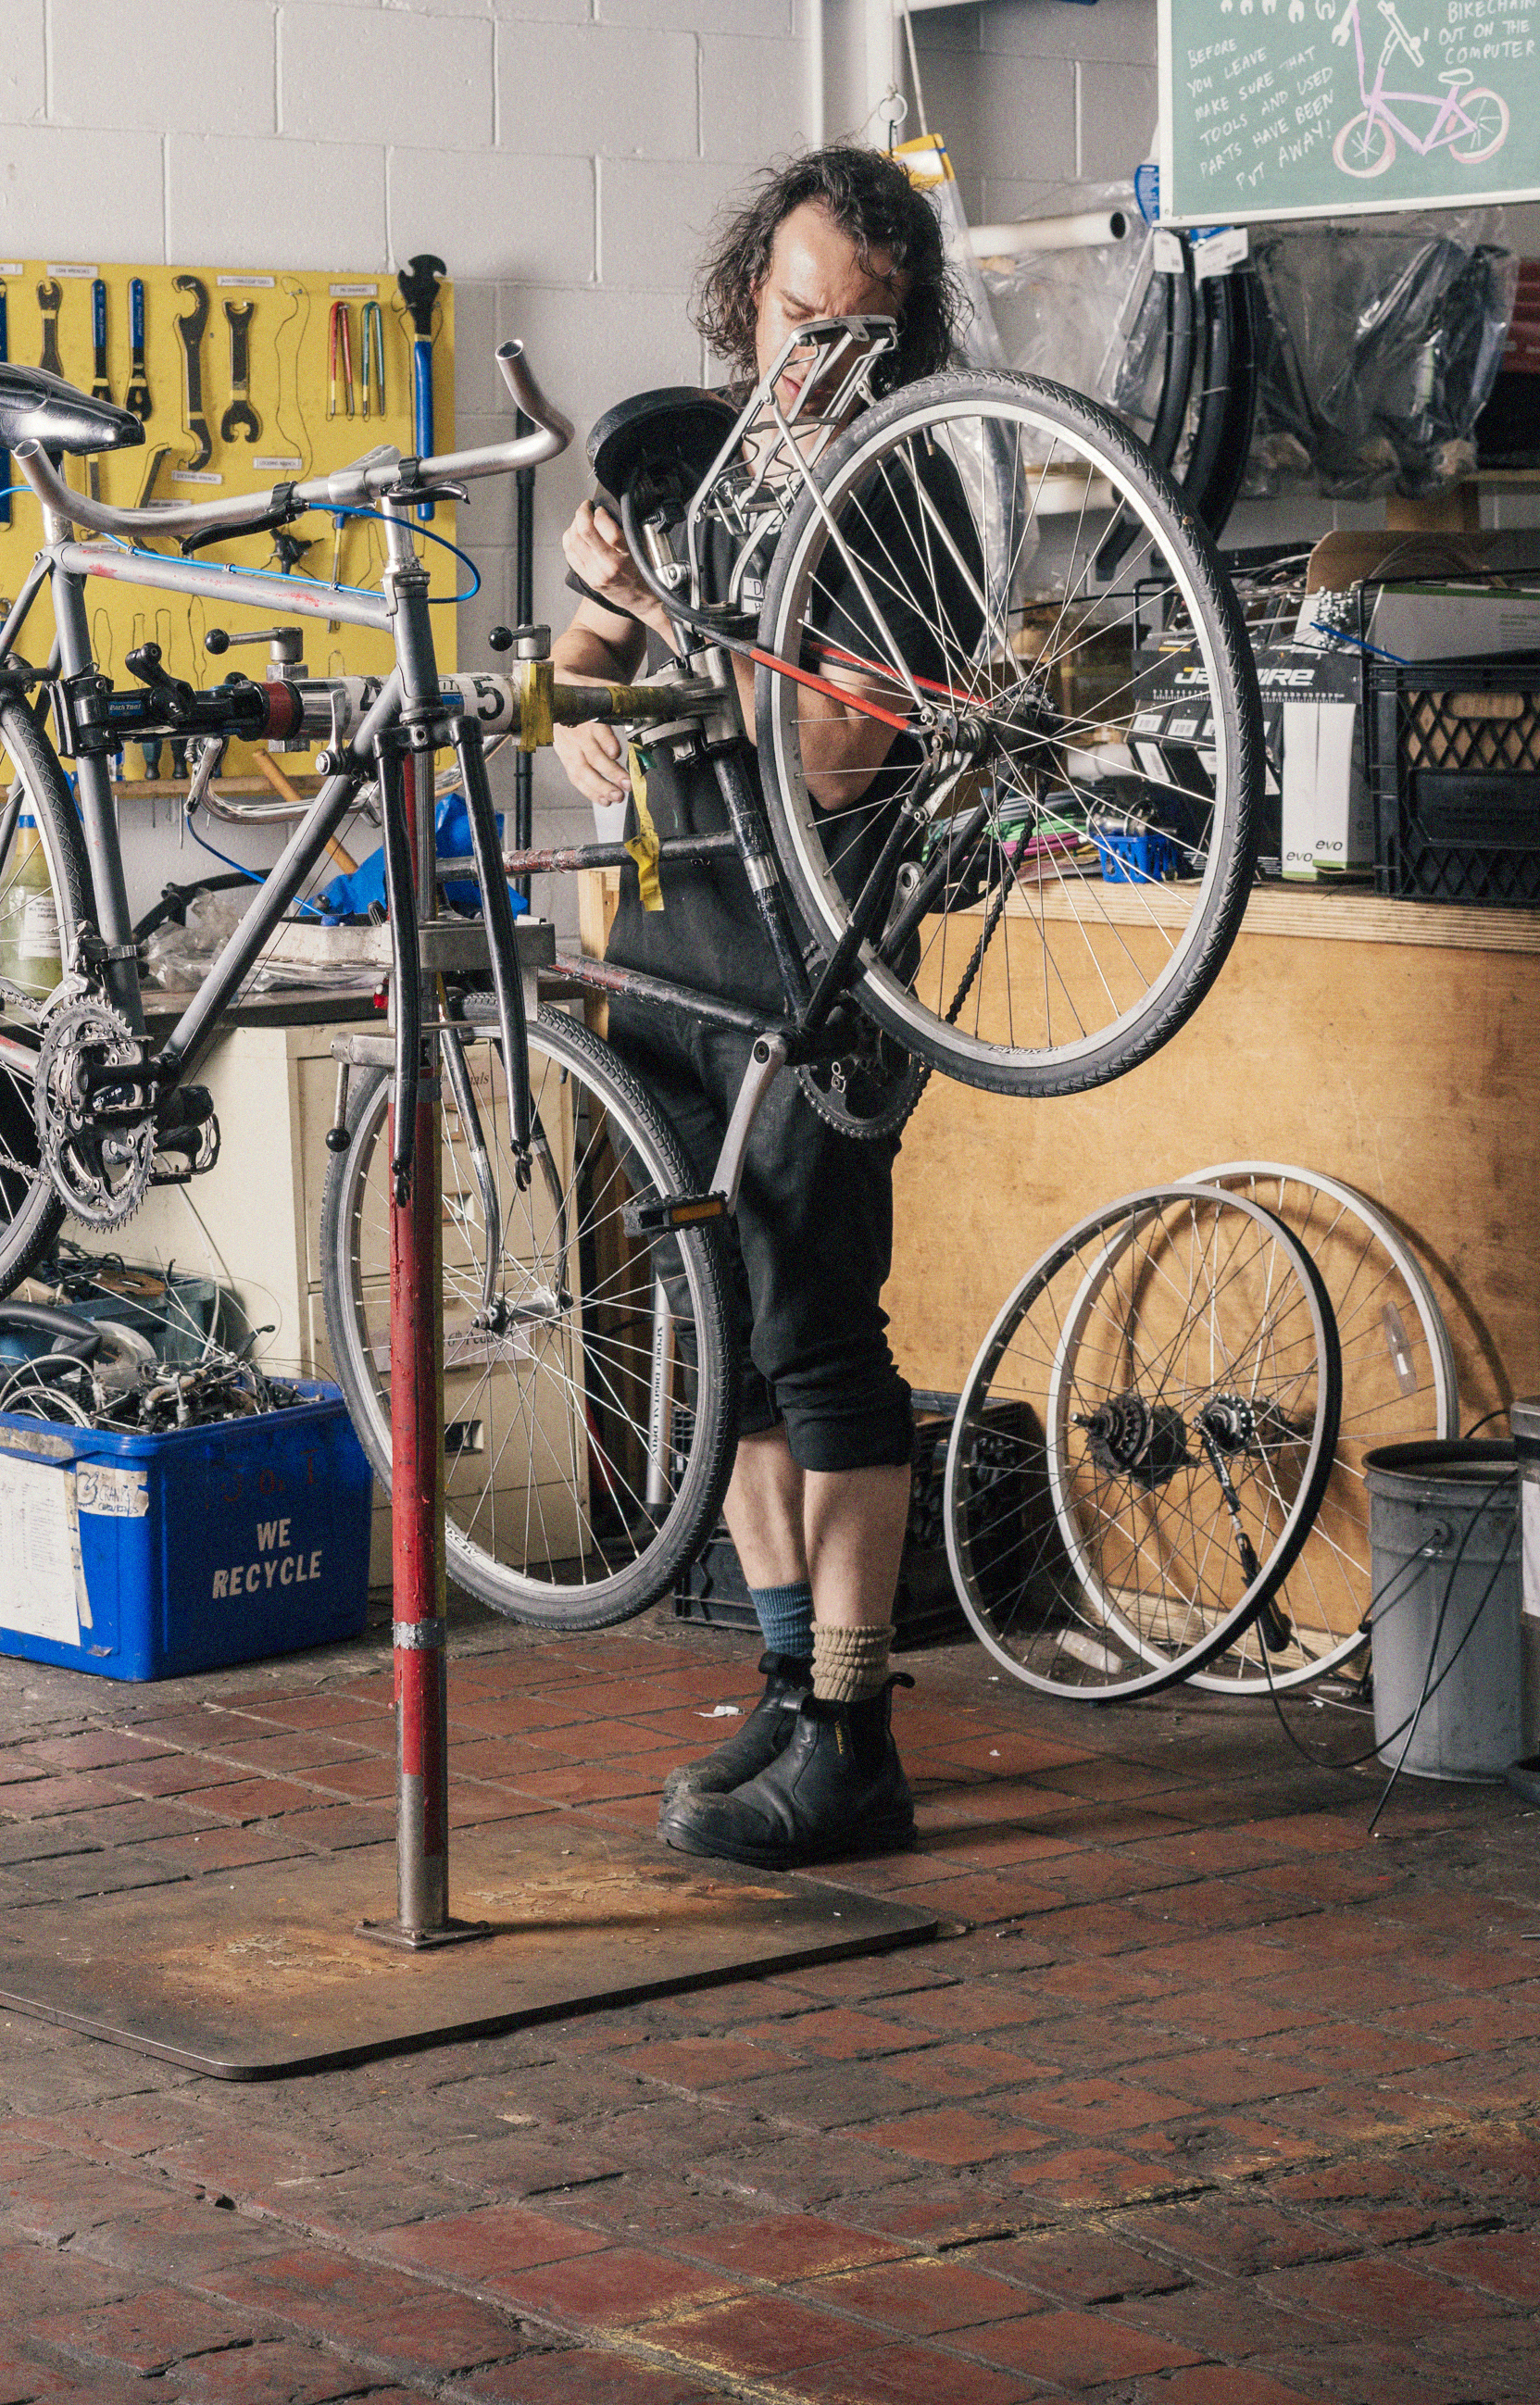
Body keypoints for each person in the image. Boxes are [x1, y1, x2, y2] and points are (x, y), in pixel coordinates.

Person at [552, 144, 956, 1870]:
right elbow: (578, 670)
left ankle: (858, 1739)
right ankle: (789, 1692)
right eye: (798, 319)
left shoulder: (913, 496)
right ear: (747, 300)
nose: (819, 363)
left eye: (859, 335)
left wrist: (670, 644)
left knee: (819, 1332)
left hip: (819, 951)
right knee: (722, 1332)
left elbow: (838, 745)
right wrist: (588, 685)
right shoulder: (690, 469)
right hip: (664, 931)